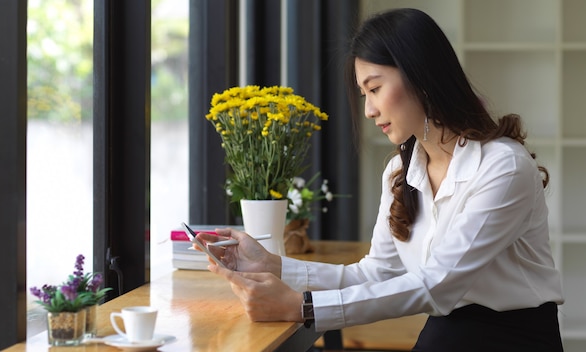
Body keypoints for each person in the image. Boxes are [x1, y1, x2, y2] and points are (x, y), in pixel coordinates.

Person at [196, 8, 564, 351]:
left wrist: (303, 307)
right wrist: (273, 265)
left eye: (375, 89)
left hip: (514, 339)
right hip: (445, 333)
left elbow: (436, 284)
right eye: (364, 94)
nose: (369, 110)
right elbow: (377, 272)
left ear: (421, 76)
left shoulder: (502, 167)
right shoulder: (400, 172)